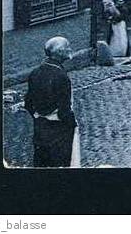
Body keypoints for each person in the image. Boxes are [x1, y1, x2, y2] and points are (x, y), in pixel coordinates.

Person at [25, 37, 78, 167]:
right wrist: (72, 125)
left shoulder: (35, 72)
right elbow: (64, 111)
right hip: (59, 132)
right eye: (67, 47)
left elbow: (28, 103)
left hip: (40, 128)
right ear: (59, 52)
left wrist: (38, 117)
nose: (70, 50)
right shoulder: (61, 76)